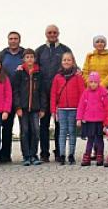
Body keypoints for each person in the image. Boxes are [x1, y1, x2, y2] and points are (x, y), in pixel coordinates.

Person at [35, 25, 71, 163]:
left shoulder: (65, 49)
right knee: (43, 124)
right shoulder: (39, 50)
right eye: (49, 32)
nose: (52, 34)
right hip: (43, 93)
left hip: (60, 93)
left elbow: (71, 65)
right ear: (45, 34)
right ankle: (44, 152)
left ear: (58, 33)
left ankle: (59, 151)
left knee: (59, 125)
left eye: (54, 32)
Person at [50, 52, 85, 165]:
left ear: (73, 61)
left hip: (74, 108)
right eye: (64, 60)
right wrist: (53, 110)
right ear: (61, 62)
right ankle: (61, 154)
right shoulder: (57, 77)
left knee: (72, 132)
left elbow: (82, 94)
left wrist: (81, 110)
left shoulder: (78, 76)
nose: (66, 62)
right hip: (61, 109)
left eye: (69, 60)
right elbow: (53, 94)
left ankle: (71, 154)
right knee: (62, 132)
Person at [13, 48, 46, 166]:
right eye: (27, 57)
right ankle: (26, 155)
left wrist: (43, 108)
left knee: (36, 131)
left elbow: (43, 92)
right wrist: (17, 107)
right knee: (25, 131)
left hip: (36, 108)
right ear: (23, 59)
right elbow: (15, 91)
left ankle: (34, 154)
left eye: (31, 57)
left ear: (35, 59)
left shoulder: (39, 73)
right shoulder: (19, 72)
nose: (29, 59)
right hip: (23, 107)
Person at [0, 31, 24, 162]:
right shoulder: (2, 54)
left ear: (19, 40)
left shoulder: (24, 54)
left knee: (25, 126)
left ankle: (28, 154)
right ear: (8, 40)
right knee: (6, 127)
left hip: (21, 95)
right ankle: (5, 154)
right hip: (5, 95)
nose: (13, 41)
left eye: (15, 38)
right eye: (11, 38)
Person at [77, 72, 108, 166]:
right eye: (91, 82)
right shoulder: (86, 92)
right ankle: (87, 155)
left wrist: (107, 121)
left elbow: (107, 107)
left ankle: (100, 155)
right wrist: (79, 118)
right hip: (89, 120)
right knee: (90, 139)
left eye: (95, 82)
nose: (93, 84)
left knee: (99, 139)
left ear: (98, 82)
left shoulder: (103, 92)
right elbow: (81, 106)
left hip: (100, 120)